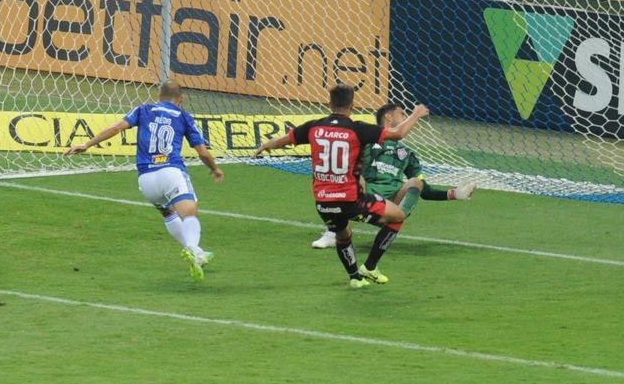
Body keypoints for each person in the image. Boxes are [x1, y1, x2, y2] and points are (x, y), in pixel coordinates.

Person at [255, 83, 428, 288]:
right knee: (397, 216)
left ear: (330, 104)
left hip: (322, 202)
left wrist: (266, 145)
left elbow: (285, 140)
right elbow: (398, 133)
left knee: (343, 234)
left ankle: (355, 278)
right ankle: (370, 267)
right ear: (352, 106)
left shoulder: (314, 126)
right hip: (351, 200)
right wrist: (416, 114)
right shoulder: (358, 129)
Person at [66, 81, 223, 282]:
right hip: (170, 172)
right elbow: (201, 151)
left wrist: (87, 143)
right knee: (190, 213)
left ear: (158, 96)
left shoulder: (143, 110)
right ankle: (193, 249)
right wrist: (214, 169)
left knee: (168, 212)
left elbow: (116, 128)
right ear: (181, 99)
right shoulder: (184, 117)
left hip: (146, 180)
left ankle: (197, 253)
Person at [311, 102, 476, 249]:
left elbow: (424, 190)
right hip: (362, 202)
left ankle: (393, 224)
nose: (405, 116)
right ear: (388, 117)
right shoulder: (366, 141)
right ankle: (333, 231)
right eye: (402, 113)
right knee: (355, 176)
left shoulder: (407, 154)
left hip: (390, 206)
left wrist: (454, 194)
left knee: (415, 182)